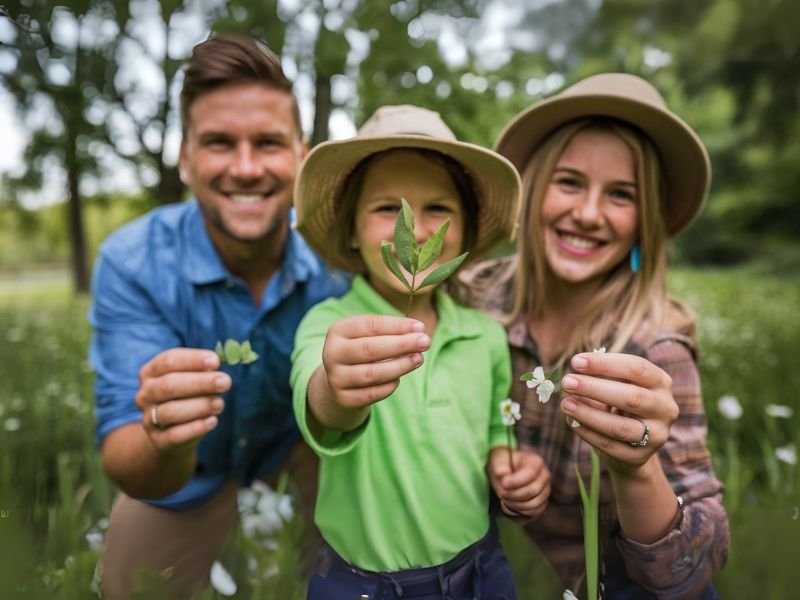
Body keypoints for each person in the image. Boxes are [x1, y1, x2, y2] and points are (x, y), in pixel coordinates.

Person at [88, 34, 348, 599]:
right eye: (219, 143)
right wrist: (163, 437)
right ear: (185, 157)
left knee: (357, 574)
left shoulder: (339, 258)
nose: (247, 168)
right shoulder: (133, 263)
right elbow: (123, 453)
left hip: (305, 451)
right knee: (129, 589)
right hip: (186, 473)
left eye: (269, 143)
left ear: (302, 155)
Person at [460, 73, 730, 599]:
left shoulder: (656, 347)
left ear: (643, 224)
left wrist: (637, 470)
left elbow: (697, 567)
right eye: (569, 182)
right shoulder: (469, 300)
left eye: (621, 195)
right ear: (533, 190)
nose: (587, 214)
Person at [290, 104, 552, 599]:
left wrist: (507, 461)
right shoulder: (328, 326)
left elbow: (499, 422)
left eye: (438, 208)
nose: (415, 230)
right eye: (389, 208)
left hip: (480, 570)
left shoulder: (485, 335)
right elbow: (320, 407)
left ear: (467, 235)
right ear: (350, 229)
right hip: (360, 583)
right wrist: (338, 388)